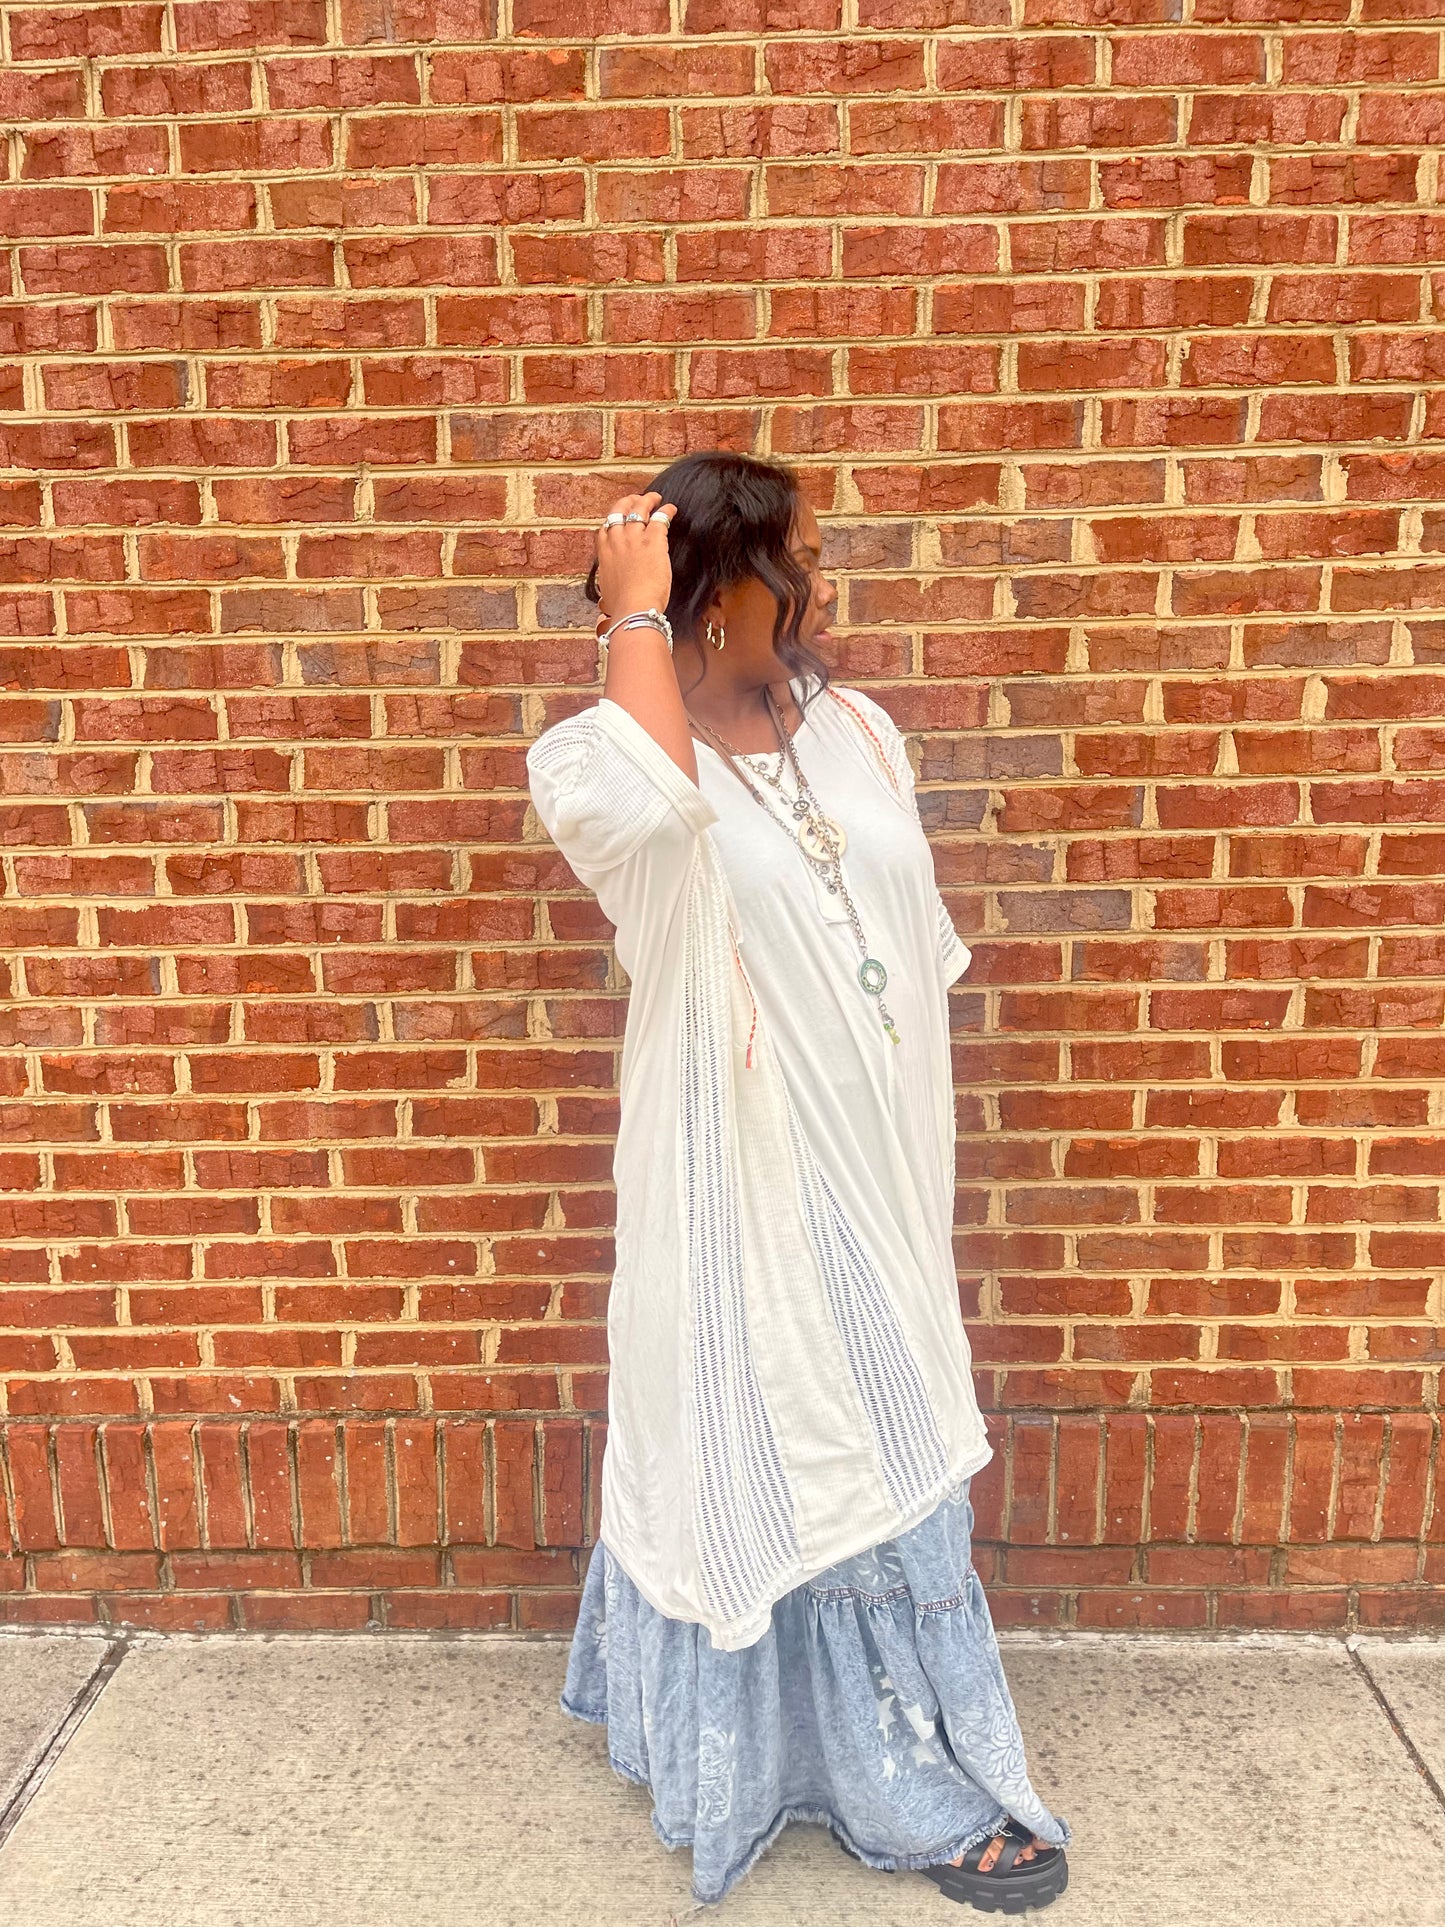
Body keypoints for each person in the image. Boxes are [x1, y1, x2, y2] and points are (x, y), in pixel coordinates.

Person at [525, 450, 1070, 1911]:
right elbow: (656, 811)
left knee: (881, 1421)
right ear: (720, 590)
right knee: (785, 1430)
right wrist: (630, 613)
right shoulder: (597, 759)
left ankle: (870, 1743)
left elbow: (907, 941)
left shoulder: (858, 728)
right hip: (740, 1174)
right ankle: (903, 1786)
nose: (822, 584)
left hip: (881, 1161)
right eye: (799, 560)